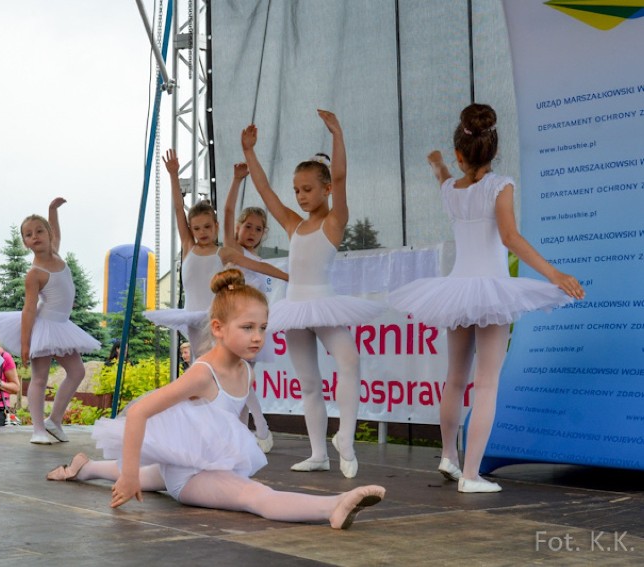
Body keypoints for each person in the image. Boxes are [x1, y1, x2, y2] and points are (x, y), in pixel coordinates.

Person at [47, 269, 385, 529]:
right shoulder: (202, 373)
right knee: (255, 496)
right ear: (219, 328)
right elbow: (139, 414)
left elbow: (222, 425)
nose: (257, 337)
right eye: (248, 327)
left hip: (196, 461)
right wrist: (130, 475)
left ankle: (84, 468)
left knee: (155, 475)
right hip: (190, 476)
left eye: (263, 328)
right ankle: (334, 506)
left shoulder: (245, 370)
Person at [388, 103, 585, 493]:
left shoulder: (451, 189)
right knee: (488, 383)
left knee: (455, 378)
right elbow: (510, 238)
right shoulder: (501, 185)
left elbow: (445, 177)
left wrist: (437, 164)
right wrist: (554, 274)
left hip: (458, 290)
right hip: (491, 290)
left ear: (460, 154)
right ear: (493, 150)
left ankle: (448, 455)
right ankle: (471, 475)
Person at [241, 110, 386, 478]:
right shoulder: (293, 223)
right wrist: (250, 153)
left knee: (349, 361)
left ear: (326, 190)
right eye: (297, 190)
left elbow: (340, 175)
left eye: (308, 189)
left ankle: (346, 440)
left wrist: (337, 133)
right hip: (295, 308)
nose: (301, 196)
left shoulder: (334, 221)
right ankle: (319, 452)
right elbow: (265, 192)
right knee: (309, 383)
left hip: (323, 302)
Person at [0, 198, 101, 444]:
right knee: (39, 377)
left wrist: (52, 210)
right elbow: (28, 310)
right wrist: (26, 345)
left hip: (62, 325)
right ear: (25, 243)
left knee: (77, 371)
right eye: (29, 234)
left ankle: (55, 420)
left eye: (40, 231)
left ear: (49, 234)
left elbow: (55, 230)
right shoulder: (35, 273)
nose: (35, 236)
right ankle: (38, 429)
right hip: (44, 325)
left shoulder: (57, 254)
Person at [220, 161, 290, 453]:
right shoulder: (232, 250)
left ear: (263, 235)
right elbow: (225, 212)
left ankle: (244, 436)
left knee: (242, 382)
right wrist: (237, 180)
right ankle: (261, 429)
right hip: (234, 323)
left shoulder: (259, 264)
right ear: (238, 227)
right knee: (240, 379)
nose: (251, 232)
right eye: (247, 225)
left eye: (258, 229)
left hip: (253, 327)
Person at [144, 149, 223, 360]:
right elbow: (179, 209)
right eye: (196, 229)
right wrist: (173, 175)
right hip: (194, 316)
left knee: (218, 359)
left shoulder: (223, 253)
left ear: (216, 226)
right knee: (200, 360)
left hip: (217, 316)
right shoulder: (189, 245)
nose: (202, 233)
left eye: (207, 227)